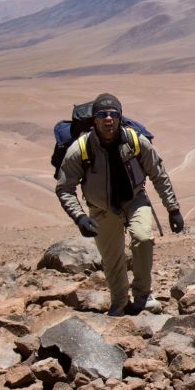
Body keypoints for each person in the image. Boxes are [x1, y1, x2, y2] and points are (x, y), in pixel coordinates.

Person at [55, 93, 184, 316]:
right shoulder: (80, 149)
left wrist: (173, 209)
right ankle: (120, 302)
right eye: (102, 114)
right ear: (94, 119)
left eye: (113, 114)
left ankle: (143, 296)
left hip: (135, 199)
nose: (108, 119)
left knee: (143, 238)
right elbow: (65, 187)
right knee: (112, 259)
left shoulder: (135, 141)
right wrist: (79, 217)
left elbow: (158, 174)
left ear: (120, 117)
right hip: (101, 209)